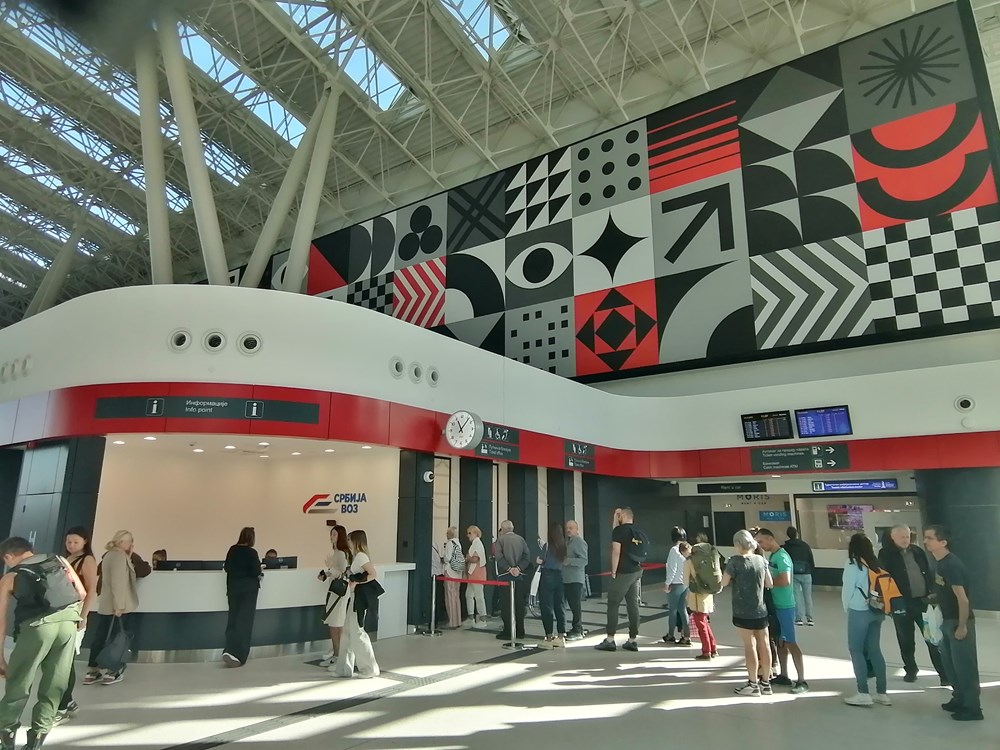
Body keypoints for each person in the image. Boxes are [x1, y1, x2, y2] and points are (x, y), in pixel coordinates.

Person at [0, 537, 86, 750]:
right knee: (54, 684)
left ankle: (6, 738)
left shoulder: (11, 576)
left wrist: (0, 656)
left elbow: (0, 620)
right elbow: (82, 593)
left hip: (37, 629)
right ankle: (36, 741)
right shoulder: (59, 560)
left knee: (19, 682)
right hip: (68, 625)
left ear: (8, 556)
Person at [924, 525, 983, 721]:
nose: (925, 541)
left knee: (964, 667)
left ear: (943, 542)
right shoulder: (939, 563)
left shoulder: (951, 565)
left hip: (958, 621)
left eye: (930, 538)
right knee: (951, 665)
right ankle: (959, 699)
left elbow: (963, 600)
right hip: (947, 620)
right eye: (925, 537)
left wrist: (962, 625)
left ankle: (973, 708)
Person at [878, 524, 947, 684]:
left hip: (922, 602)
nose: (905, 540)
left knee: (932, 638)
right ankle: (911, 670)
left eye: (907, 536)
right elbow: (884, 579)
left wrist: (932, 591)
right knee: (906, 640)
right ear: (893, 537)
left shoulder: (917, 551)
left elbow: (927, 571)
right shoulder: (886, 554)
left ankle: (944, 674)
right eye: (902, 537)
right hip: (901, 604)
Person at [841, 532, 891, 707]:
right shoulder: (876, 564)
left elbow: (847, 589)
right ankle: (882, 693)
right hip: (877, 610)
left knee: (856, 650)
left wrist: (846, 607)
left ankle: (863, 692)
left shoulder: (852, 564)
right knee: (874, 649)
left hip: (859, 610)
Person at [756, 529, 808, 694]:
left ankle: (802, 680)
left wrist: (768, 583)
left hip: (785, 605)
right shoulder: (773, 556)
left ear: (770, 539)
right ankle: (784, 675)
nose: (760, 545)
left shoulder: (782, 557)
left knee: (790, 641)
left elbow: (785, 580)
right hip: (776, 605)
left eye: (761, 542)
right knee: (780, 641)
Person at [54, 527, 98, 724]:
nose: (71, 545)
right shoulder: (65, 559)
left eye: (75, 542)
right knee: (60, 659)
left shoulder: (87, 560)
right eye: (69, 542)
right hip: (61, 612)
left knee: (66, 660)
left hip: (75, 613)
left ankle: (64, 704)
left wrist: (83, 616)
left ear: (85, 542)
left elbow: (91, 589)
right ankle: (67, 701)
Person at [722, 530, 773, 697]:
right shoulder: (761, 560)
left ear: (738, 544)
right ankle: (766, 683)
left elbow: (724, 582)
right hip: (761, 609)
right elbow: (769, 583)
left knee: (750, 646)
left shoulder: (734, 561)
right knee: (764, 644)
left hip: (742, 611)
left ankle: (752, 684)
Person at [84, 531, 139, 686]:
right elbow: (118, 583)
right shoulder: (119, 557)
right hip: (117, 606)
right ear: (122, 542)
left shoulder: (109, 555)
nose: (131, 544)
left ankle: (93, 670)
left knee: (101, 636)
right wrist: (119, 605)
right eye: (129, 541)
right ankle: (112, 671)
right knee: (116, 639)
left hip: (106, 604)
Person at [330, 530, 379, 679]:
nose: (348, 542)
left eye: (349, 539)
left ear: (356, 541)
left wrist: (357, 581)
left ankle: (369, 668)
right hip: (354, 597)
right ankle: (344, 668)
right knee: (347, 633)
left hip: (359, 599)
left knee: (357, 632)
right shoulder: (357, 557)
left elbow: (372, 574)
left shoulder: (361, 556)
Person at [595, 507, 644, 653]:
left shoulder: (619, 531)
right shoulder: (636, 531)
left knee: (613, 604)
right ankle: (632, 639)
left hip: (623, 572)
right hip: (636, 571)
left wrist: (614, 571)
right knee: (633, 605)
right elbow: (616, 532)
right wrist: (616, 519)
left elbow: (616, 551)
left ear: (622, 515)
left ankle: (610, 640)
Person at [222, 527, 262, 667]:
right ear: (251, 538)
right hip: (248, 591)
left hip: (233, 589)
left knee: (233, 619)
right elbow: (256, 571)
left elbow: (227, 567)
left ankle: (228, 650)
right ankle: (239, 655)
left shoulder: (232, 550)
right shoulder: (252, 552)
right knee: (244, 623)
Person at [318, 525, 351, 665]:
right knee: (334, 622)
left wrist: (330, 567)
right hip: (335, 591)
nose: (331, 537)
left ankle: (338, 655)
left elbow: (342, 571)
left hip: (339, 592)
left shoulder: (341, 553)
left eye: (334, 534)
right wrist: (326, 574)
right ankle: (337, 652)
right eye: (331, 534)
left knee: (336, 623)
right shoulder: (337, 553)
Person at [493, 520, 530, 641]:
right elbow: (527, 556)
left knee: (506, 605)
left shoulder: (500, 540)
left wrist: (509, 568)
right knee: (519, 604)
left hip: (505, 576)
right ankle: (520, 630)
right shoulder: (521, 539)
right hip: (519, 576)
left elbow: (499, 557)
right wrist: (518, 568)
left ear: (502, 529)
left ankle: (508, 631)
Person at [685, 540, 718, 660]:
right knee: (705, 622)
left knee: (701, 624)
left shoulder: (689, 562)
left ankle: (706, 651)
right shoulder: (709, 559)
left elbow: (685, 582)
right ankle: (713, 648)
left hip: (696, 596)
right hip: (708, 595)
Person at [536, 522, 568, 648]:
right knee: (560, 606)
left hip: (547, 576)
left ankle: (549, 638)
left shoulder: (547, 545)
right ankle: (561, 637)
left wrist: (539, 560)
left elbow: (541, 560)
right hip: (560, 576)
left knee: (546, 607)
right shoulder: (564, 546)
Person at [662, 526, 691, 645]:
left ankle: (670, 634)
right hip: (685, 583)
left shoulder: (674, 550)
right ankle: (686, 636)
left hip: (676, 583)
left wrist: (667, 583)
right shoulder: (687, 548)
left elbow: (672, 569)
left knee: (673, 610)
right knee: (682, 609)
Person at [783, 527, 815, 626]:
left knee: (796, 596)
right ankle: (810, 618)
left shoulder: (786, 547)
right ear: (797, 534)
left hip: (794, 574)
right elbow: (811, 560)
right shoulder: (805, 545)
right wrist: (810, 570)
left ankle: (799, 618)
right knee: (808, 596)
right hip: (806, 573)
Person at [563, 520, 589, 640]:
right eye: (567, 528)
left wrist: (568, 561)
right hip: (567, 579)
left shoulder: (579, 542)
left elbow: (584, 560)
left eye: (571, 528)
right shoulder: (568, 542)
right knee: (571, 604)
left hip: (575, 579)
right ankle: (576, 628)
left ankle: (577, 629)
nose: (568, 530)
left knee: (575, 605)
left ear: (577, 529)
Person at [465, 526, 488, 625]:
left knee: (479, 596)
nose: (468, 535)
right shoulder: (474, 544)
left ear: (475, 533)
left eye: (470, 533)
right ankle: (471, 617)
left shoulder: (477, 544)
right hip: (472, 573)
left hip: (477, 573)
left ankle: (483, 619)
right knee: (469, 595)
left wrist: (467, 558)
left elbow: (475, 559)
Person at [441, 527, 464, 629]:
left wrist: (443, 559)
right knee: (456, 596)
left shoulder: (450, 543)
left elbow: (447, 558)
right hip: (458, 573)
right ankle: (458, 620)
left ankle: (452, 621)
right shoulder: (458, 543)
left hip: (450, 571)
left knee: (449, 596)